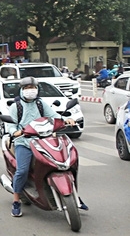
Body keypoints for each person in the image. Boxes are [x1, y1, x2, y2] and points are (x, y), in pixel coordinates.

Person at [5, 77, 82, 217]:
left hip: (43, 140)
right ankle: (16, 201)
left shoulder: (40, 103)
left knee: (64, 161)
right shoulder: (16, 106)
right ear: (22, 90)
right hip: (24, 142)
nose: (31, 90)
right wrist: (15, 132)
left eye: (33, 87)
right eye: (27, 88)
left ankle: (74, 193)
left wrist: (66, 120)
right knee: (22, 170)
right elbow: (11, 125)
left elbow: (53, 116)